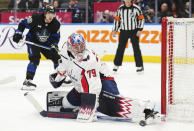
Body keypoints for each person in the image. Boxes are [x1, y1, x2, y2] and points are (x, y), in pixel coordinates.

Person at [48, 33, 159, 123]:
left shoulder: (88, 61)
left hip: (104, 79)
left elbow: (94, 85)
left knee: (114, 102)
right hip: (82, 85)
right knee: (67, 104)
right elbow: (64, 65)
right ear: (69, 47)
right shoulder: (64, 52)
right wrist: (57, 78)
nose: (80, 50)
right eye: (76, 47)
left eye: (81, 46)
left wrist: (90, 106)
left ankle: (144, 109)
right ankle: (90, 102)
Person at [12, 5, 70, 90]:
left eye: (53, 14)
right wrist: (18, 34)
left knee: (57, 58)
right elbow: (22, 24)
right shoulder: (35, 18)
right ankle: (28, 81)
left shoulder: (56, 24)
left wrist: (54, 45)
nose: (51, 16)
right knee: (35, 58)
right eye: (49, 13)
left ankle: (59, 79)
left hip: (46, 44)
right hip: (33, 41)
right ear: (45, 13)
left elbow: (55, 38)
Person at [112, 0, 145, 73]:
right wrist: (115, 30)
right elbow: (117, 20)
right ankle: (116, 65)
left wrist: (140, 29)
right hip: (123, 31)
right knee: (120, 48)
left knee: (136, 48)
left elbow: (141, 19)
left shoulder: (136, 8)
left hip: (134, 31)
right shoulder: (120, 9)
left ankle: (139, 65)